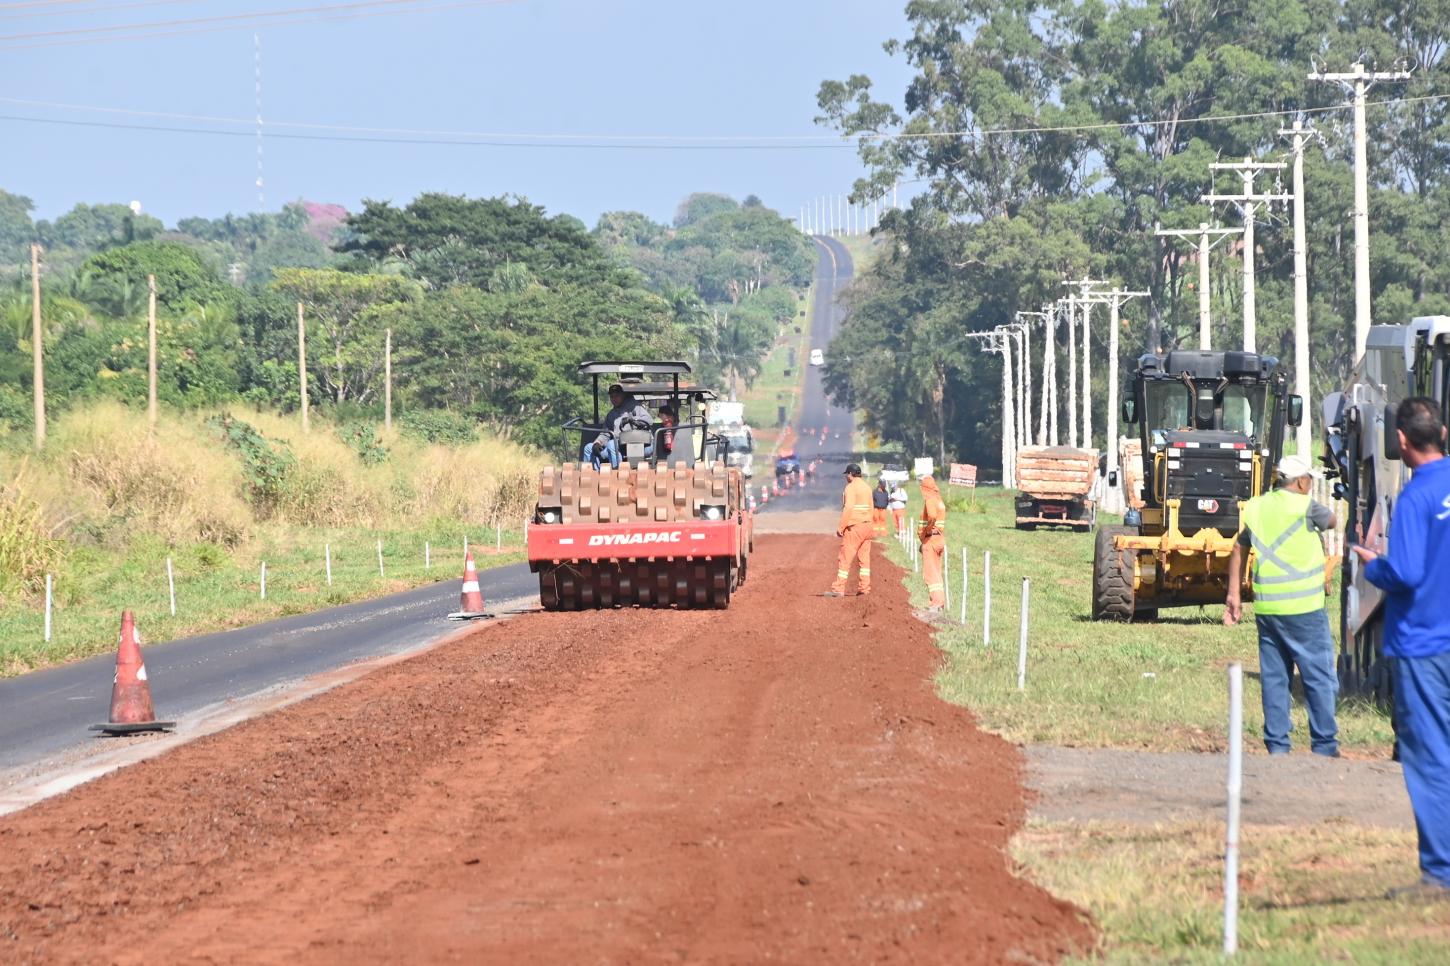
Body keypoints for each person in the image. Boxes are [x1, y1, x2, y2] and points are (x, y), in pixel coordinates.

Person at [1352, 397, 1450, 899]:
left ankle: (1440, 873)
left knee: (1430, 756)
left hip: (1424, 645)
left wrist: (1373, 564)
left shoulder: (1414, 499)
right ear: (1444, 433)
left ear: (1402, 441)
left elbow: (1407, 572)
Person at [1224, 453, 1339, 757]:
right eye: (1310, 480)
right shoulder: (1306, 506)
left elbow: (1238, 547)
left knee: (1275, 679)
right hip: (1305, 609)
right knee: (1318, 677)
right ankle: (1325, 746)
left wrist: (1233, 595)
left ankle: (1277, 747)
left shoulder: (1259, 508)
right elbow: (1333, 520)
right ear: (1301, 481)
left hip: (1268, 611)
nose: (1310, 484)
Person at [825, 463, 873, 597]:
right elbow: (871, 507)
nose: (846, 476)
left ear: (851, 474)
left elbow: (848, 508)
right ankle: (864, 588)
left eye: (847, 474)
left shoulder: (850, 488)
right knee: (864, 560)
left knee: (845, 558)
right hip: (867, 526)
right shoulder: (867, 487)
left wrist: (841, 527)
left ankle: (838, 589)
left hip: (855, 527)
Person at [583, 384, 651, 471]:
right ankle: (593, 476)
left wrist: (632, 420)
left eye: (617, 396)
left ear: (623, 396)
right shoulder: (611, 415)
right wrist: (598, 443)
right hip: (619, 446)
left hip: (639, 445)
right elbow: (605, 433)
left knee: (612, 444)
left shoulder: (635, 407)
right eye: (612, 396)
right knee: (588, 448)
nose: (614, 399)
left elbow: (649, 420)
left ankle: (618, 473)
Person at [918, 473, 947, 617]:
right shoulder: (939, 500)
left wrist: (926, 532)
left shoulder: (930, 499)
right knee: (937, 572)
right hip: (940, 539)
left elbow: (932, 516)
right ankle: (940, 601)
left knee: (930, 573)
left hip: (930, 539)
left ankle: (935, 603)